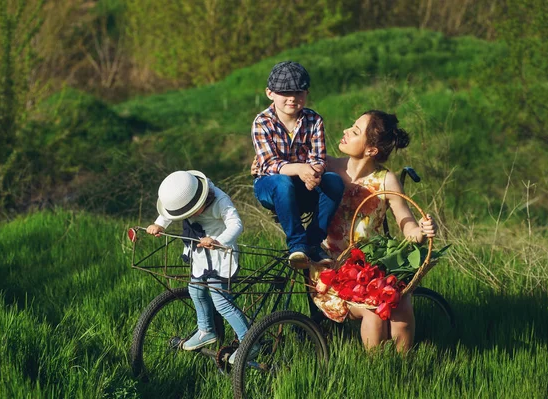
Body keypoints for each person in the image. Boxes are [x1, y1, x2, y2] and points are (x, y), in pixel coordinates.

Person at [318, 110, 437, 352]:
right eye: (351, 126)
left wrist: (420, 230)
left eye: (355, 131)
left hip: (370, 266)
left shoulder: (386, 180)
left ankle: (405, 368)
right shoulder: (326, 166)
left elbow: (406, 222)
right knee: (374, 313)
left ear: (371, 150)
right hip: (330, 267)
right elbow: (291, 167)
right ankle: (377, 369)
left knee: (402, 305)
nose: (345, 132)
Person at [146, 170, 257, 364]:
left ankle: (250, 342)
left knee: (221, 300)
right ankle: (206, 330)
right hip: (199, 253)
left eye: (190, 212)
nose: (188, 216)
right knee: (195, 290)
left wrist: (218, 240)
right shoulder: (185, 191)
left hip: (221, 254)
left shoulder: (220, 201)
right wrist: (159, 224)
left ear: (203, 199)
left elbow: (236, 224)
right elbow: (170, 210)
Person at [251, 61, 344, 267]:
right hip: (270, 186)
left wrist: (313, 173)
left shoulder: (314, 120)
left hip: (305, 184)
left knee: (333, 182)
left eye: (299, 93)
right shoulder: (262, 122)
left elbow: (318, 158)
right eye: (285, 93)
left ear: (306, 93)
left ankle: (313, 241)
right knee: (282, 182)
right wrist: (301, 169)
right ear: (270, 93)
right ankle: (297, 245)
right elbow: (269, 164)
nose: (293, 98)